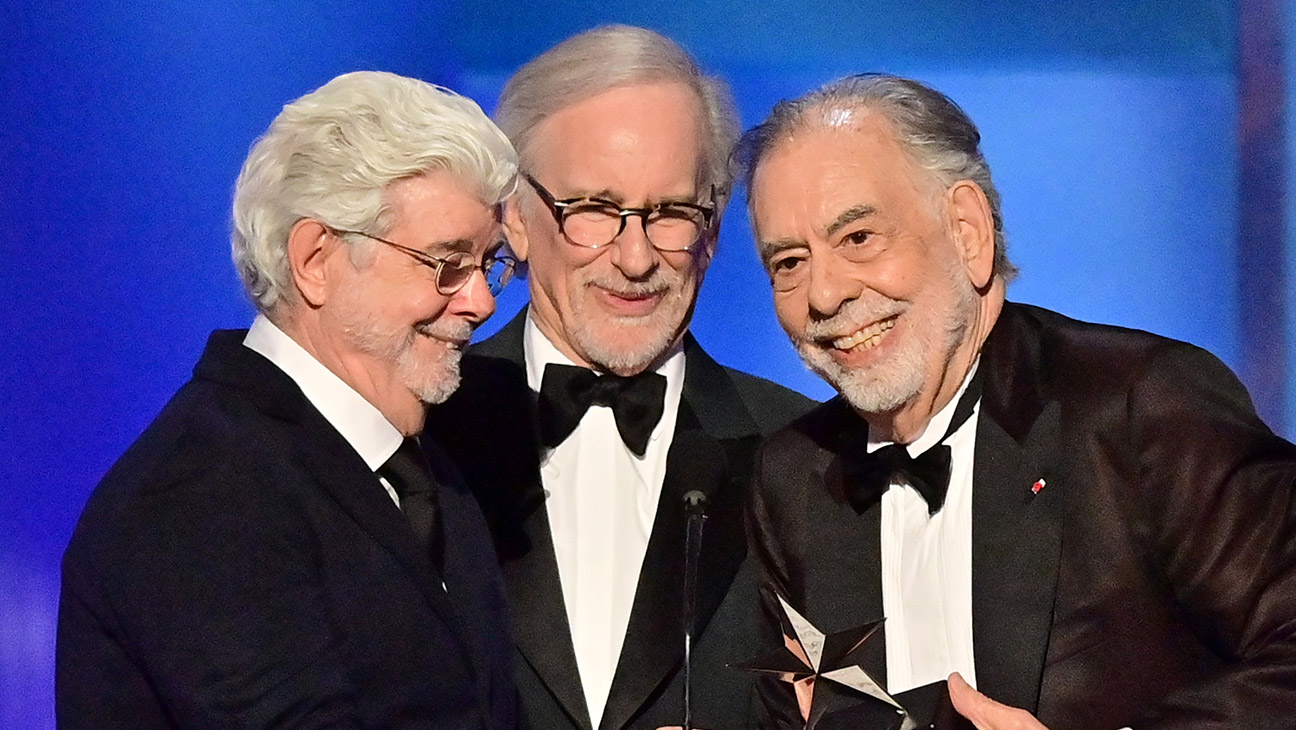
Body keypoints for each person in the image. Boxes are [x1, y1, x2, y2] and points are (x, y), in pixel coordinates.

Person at [737, 73, 1296, 730]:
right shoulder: (793, 477)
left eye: (859, 238)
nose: (824, 295)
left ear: (968, 231)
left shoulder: (1140, 405)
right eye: (789, 263)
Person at [57, 71, 522, 729]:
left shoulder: (426, 471)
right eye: (447, 263)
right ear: (315, 258)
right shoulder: (199, 497)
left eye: (489, 264)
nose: (482, 301)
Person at [424, 25, 814, 730]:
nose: (635, 259)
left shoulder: (809, 458)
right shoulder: (418, 435)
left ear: (714, 229)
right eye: (595, 211)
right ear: (514, 217)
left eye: (670, 213)